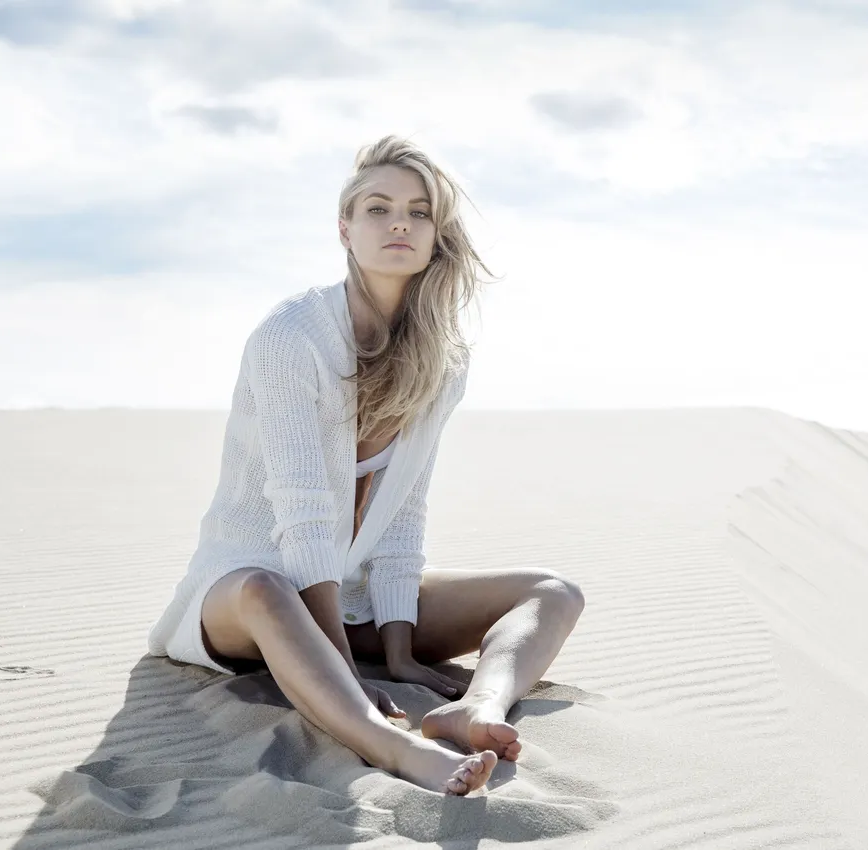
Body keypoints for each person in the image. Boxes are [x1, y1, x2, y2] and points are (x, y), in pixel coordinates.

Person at [148, 135, 584, 796]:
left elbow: (405, 509)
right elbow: (302, 514)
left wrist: (403, 648)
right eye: (377, 208)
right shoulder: (291, 336)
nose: (399, 222)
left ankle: (481, 708)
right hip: (240, 594)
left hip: (346, 594)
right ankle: (396, 750)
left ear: (438, 234)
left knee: (553, 593)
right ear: (345, 228)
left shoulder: (445, 357)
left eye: (418, 210)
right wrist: (348, 666)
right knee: (269, 588)